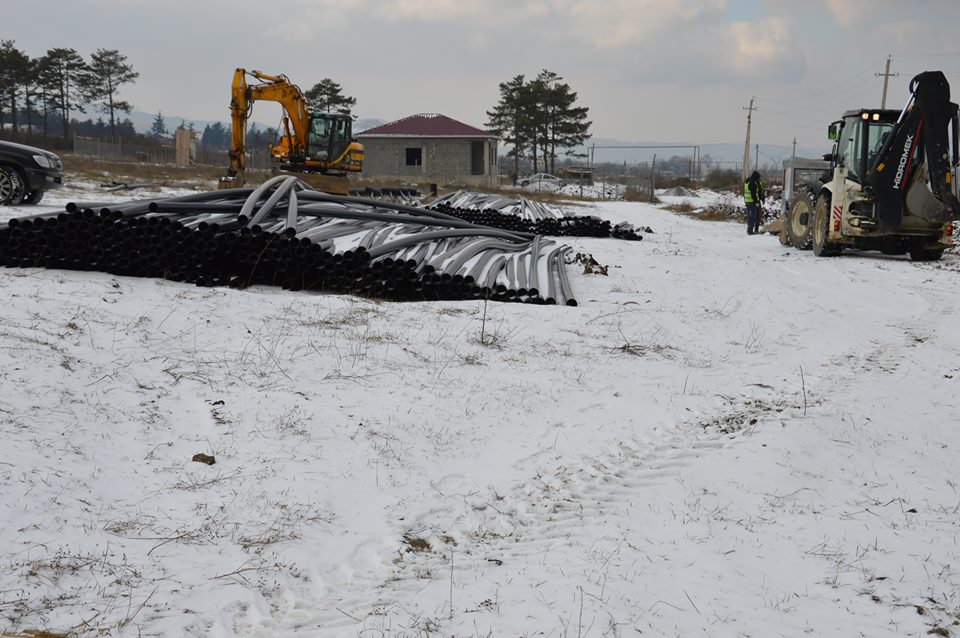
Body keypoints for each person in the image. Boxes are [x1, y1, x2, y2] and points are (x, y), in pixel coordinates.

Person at [744, 170, 765, 235]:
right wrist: (756, 202)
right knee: (752, 216)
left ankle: (753, 230)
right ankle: (750, 231)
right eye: (758, 177)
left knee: (754, 216)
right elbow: (753, 194)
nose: (759, 179)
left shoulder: (748, 181)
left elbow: (758, 192)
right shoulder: (752, 183)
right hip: (752, 202)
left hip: (749, 201)